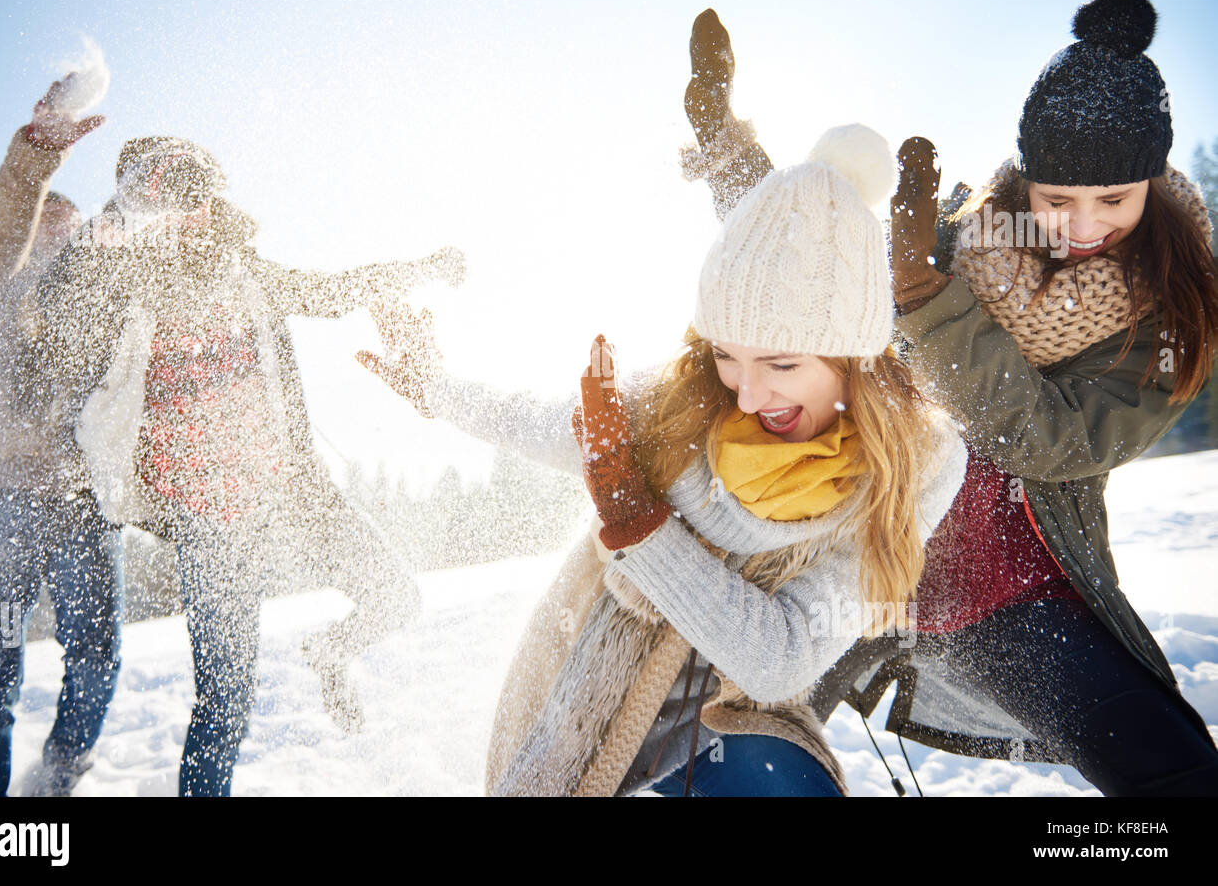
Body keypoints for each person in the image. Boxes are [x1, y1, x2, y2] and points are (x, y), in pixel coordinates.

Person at [683, 0, 1218, 794]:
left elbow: (1047, 440)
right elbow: (804, 265)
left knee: (1175, 775)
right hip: (859, 576)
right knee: (721, 753)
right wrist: (724, 143)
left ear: (1151, 182)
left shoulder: (1164, 317)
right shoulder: (962, 240)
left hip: (1012, 603)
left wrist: (926, 303)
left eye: (1113, 200)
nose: (1080, 225)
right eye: (1056, 198)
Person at [358, 124, 968, 795]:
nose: (748, 390)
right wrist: (435, 389)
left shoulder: (916, 464)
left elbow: (779, 658)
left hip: (735, 722)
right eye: (727, 353)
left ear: (854, 355)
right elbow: (535, 418)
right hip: (594, 704)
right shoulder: (682, 404)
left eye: (782, 362)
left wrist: (638, 523)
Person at [35, 136, 456, 794]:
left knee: (397, 594)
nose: (192, 214)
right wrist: (120, 209)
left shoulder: (247, 270)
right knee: (225, 705)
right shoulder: (123, 289)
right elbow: (59, 304)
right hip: (209, 526)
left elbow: (333, 290)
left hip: (290, 492)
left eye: (199, 198)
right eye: (171, 200)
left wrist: (420, 267)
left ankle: (330, 649)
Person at [0, 76, 120, 796]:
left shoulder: (100, 307)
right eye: (44, 227)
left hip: (83, 500)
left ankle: (58, 771)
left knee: (98, 652)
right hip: (0, 497)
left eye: (70, 230)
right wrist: (33, 162)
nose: (58, 239)